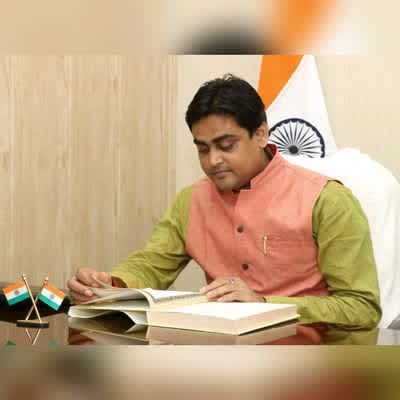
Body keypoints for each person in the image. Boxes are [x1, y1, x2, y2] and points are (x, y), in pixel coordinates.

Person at [67, 74, 381, 329]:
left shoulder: (328, 200)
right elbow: (152, 264)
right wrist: (110, 284)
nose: (213, 160)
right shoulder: (192, 199)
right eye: (203, 149)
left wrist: (265, 304)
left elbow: (362, 307)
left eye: (226, 145)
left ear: (261, 135)